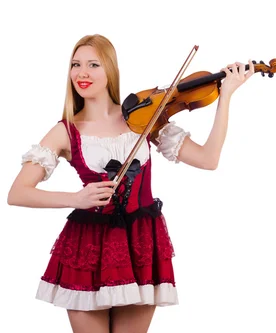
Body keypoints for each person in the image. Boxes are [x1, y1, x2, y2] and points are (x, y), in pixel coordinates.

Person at [7, 34, 254, 333]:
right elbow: (17, 193)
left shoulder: (143, 117)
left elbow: (208, 159)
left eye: (93, 64)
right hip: (87, 245)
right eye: (75, 64)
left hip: (141, 241)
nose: (82, 73)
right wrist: (76, 198)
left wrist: (225, 96)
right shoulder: (65, 131)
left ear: (110, 70)